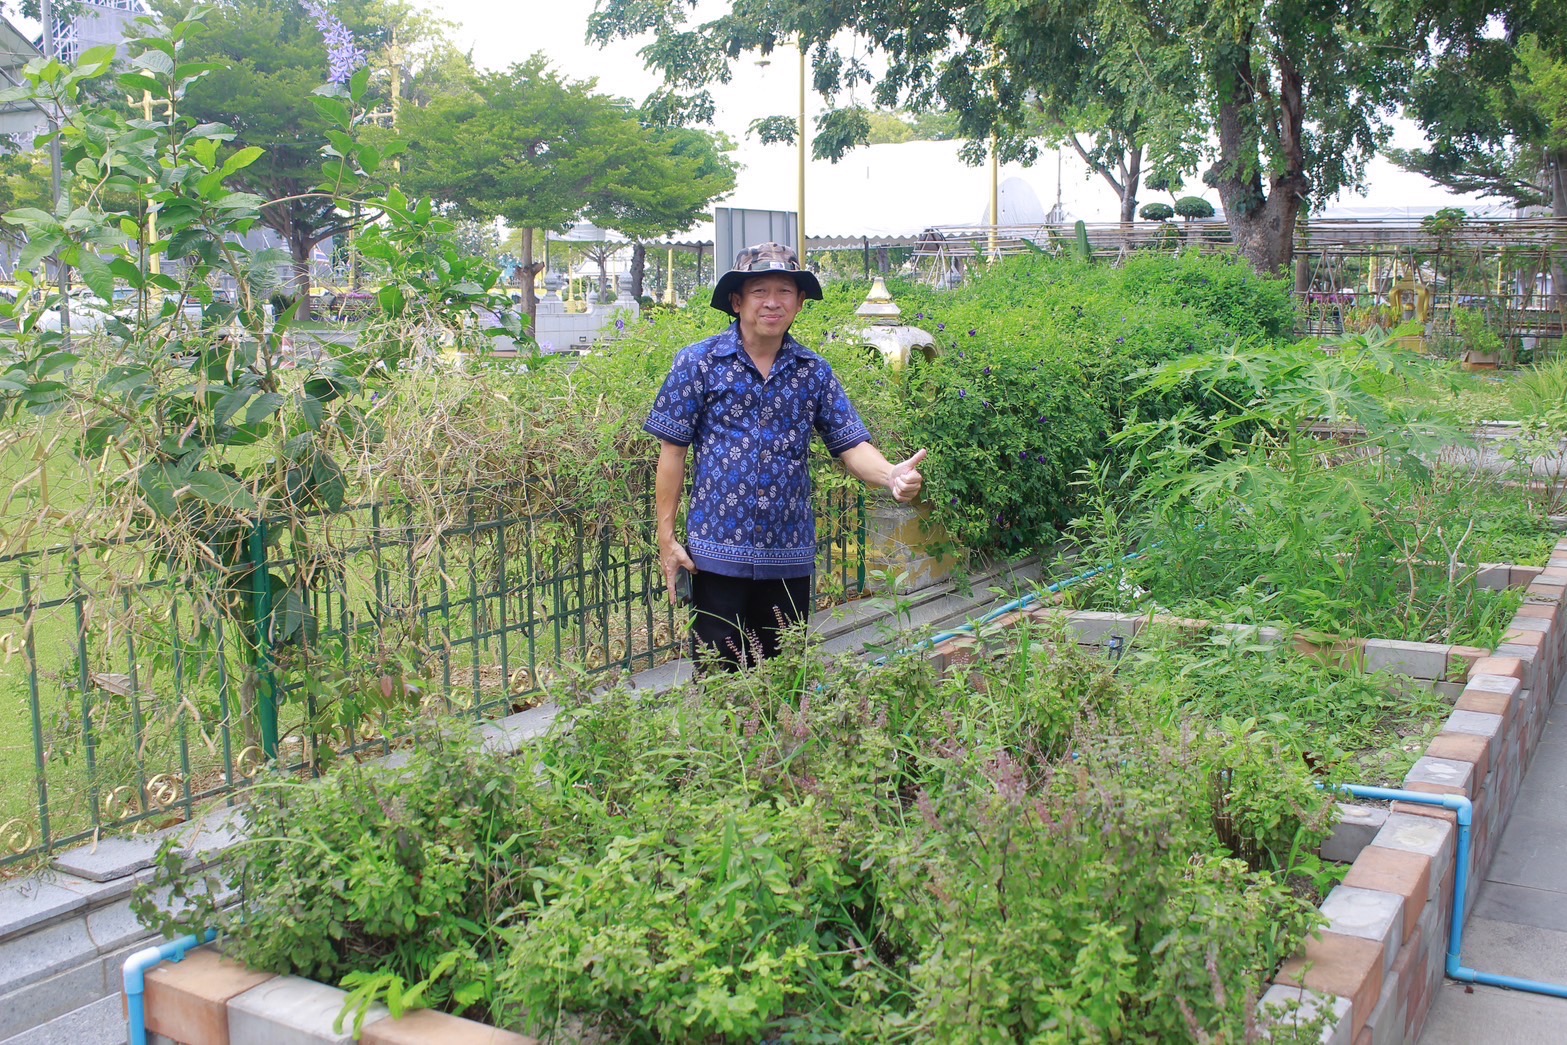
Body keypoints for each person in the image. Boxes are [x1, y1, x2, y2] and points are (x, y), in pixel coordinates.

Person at [645, 242, 927, 670]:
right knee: (719, 677)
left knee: (783, 675)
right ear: (737, 301)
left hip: (787, 556)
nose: (772, 302)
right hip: (716, 555)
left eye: (785, 291)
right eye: (759, 291)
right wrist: (667, 539)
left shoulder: (813, 371)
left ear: (798, 304)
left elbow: (851, 444)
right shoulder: (698, 363)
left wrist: (890, 474)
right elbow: (673, 453)